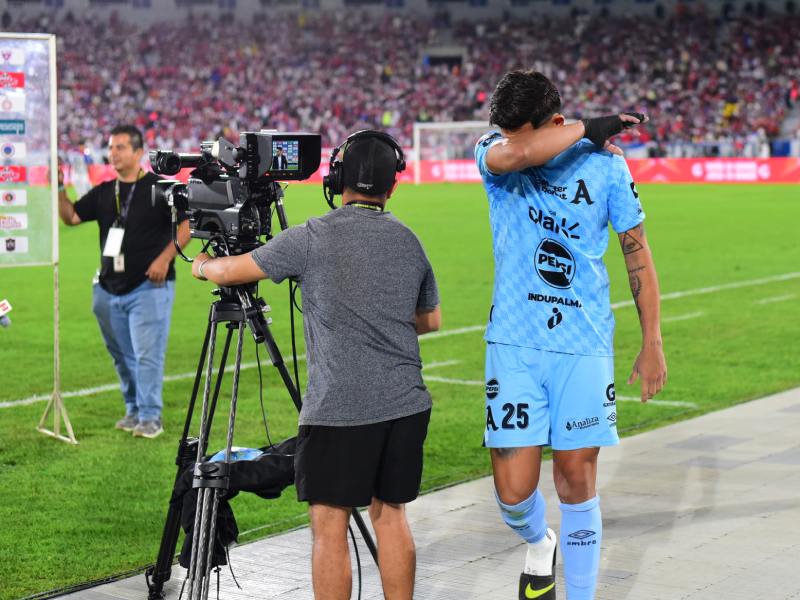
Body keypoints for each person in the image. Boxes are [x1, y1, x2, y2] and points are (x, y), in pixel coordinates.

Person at [191, 130, 441, 600]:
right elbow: (430, 319)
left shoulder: (312, 236)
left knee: (329, 526)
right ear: (393, 184)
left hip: (339, 409)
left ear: (338, 179)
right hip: (407, 405)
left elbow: (232, 270)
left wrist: (202, 265)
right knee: (392, 516)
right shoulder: (410, 240)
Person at [475, 70, 667, 600]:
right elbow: (518, 155)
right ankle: (540, 541)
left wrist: (652, 340)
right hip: (514, 344)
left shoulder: (607, 167)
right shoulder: (494, 151)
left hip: (582, 345)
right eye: (506, 132)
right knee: (514, 494)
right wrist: (588, 127)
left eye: (523, 131)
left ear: (554, 123)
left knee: (577, 480)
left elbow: (637, 253)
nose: (511, 140)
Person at [58, 124, 190, 439]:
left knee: (147, 354)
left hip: (148, 286)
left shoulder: (161, 187)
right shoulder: (106, 191)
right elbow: (71, 217)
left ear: (138, 152)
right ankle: (133, 410)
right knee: (121, 355)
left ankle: (150, 417)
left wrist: (165, 257)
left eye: (120, 147)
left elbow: (189, 223)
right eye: (111, 147)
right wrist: (58, 187)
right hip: (107, 288)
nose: (113, 153)